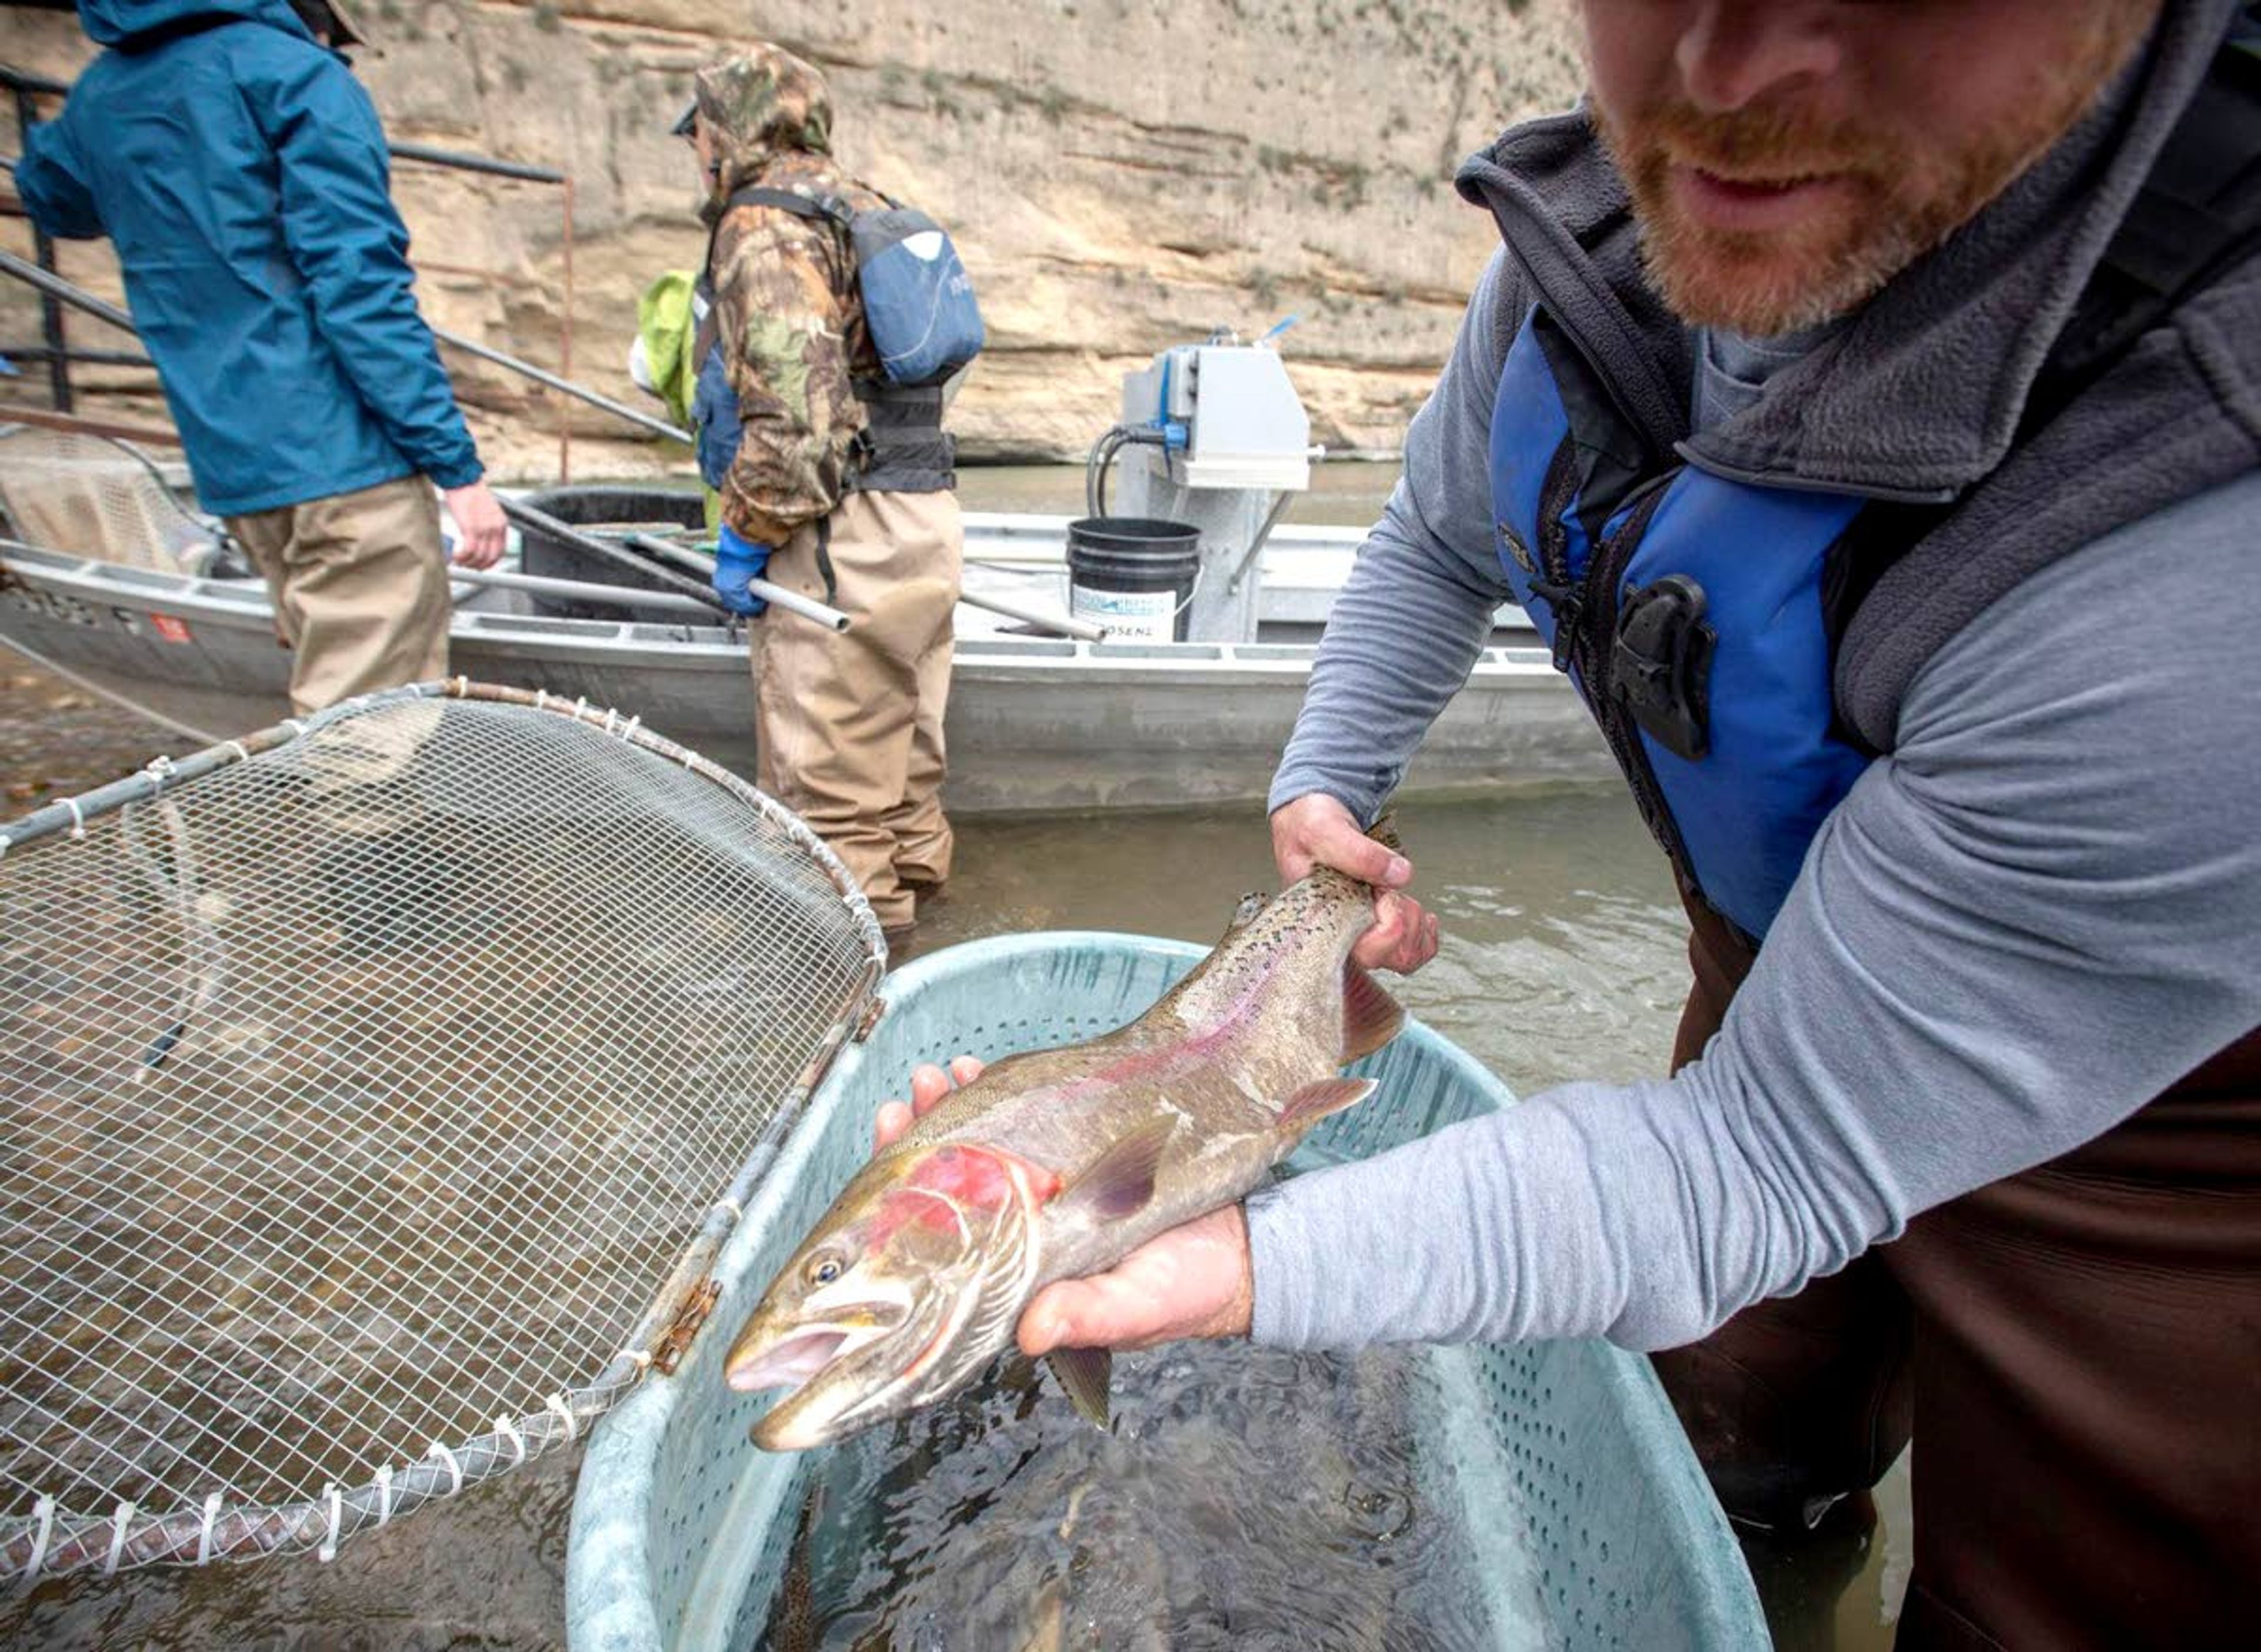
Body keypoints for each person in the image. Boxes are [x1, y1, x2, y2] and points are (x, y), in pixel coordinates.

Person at [883, 2, 2261, 1644]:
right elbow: (1433, 537)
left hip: (2162, 1127)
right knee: (1736, 1414)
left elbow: (1760, 1156)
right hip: (1774, 968)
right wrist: (1329, 786)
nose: (1733, 74)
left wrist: (1248, 1256)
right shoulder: (1590, 260)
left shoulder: (2199, 537)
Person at [14, 0, 508, 715]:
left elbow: (51, 198)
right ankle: (327, 827)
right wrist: (458, 471)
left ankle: (310, 810)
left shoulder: (100, 93)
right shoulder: (295, 76)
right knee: (370, 732)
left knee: (326, 692)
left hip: (237, 465)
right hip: (345, 458)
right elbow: (361, 292)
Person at [682, 44, 965, 946]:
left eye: (698, 132)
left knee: (828, 814)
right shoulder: (867, 205)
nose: (697, 151)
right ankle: (937, 958)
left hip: (843, 538)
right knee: (907, 786)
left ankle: (857, 1022)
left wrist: (745, 530)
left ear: (729, 131)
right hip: (926, 520)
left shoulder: (763, 225)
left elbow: (803, 434)